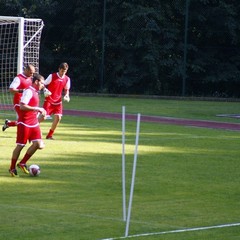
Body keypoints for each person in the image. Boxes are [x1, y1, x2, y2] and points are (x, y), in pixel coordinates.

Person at [9, 73, 46, 177]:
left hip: (33, 123)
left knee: (38, 144)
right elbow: (22, 106)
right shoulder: (29, 91)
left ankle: (22, 163)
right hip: (24, 123)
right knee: (20, 145)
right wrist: (37, 109)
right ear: (36, 82)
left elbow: (33, 107)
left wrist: (40, 114)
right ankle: (12, 168)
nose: (43, 85)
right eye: (42, 83)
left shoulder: (35, 92)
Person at [41, 62, 71, 140]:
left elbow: (66, 89)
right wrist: (45, 90)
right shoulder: (52, 76)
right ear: (59, 69)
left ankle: (49, 135)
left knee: (58, 118)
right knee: (42, 117)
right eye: (62, 71)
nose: (63, 73)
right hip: (49, 100)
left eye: (65, 71)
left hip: (58, 102)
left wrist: (67, 95)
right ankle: (30, 129)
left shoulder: (67, 79)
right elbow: (43, 84)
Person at [2, 64, 35, 131]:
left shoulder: (30, 78)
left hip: (26, 102)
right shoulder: (19, 78)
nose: (32, 75)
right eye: (31, 73)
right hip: (18, 102)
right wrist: (22, 90)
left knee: (26, 119)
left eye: (33, 73)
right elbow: (11, 89)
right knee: (24, 119)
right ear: (26, 70)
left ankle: (8, 123)